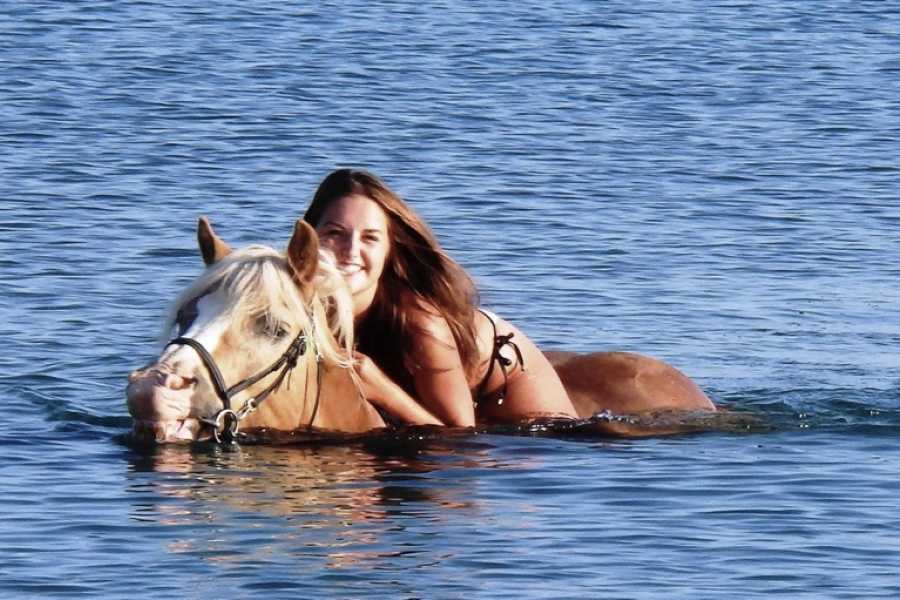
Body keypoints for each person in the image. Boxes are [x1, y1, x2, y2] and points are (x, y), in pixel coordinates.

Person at [303, 168, 578, 427]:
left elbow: (461, 440)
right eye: (334, 233)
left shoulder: (420, 321)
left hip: (507, 386)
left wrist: (382, 390)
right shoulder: (294, 302)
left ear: (389, 251)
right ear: (308, 239)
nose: (351, 250)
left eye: (370, 238)